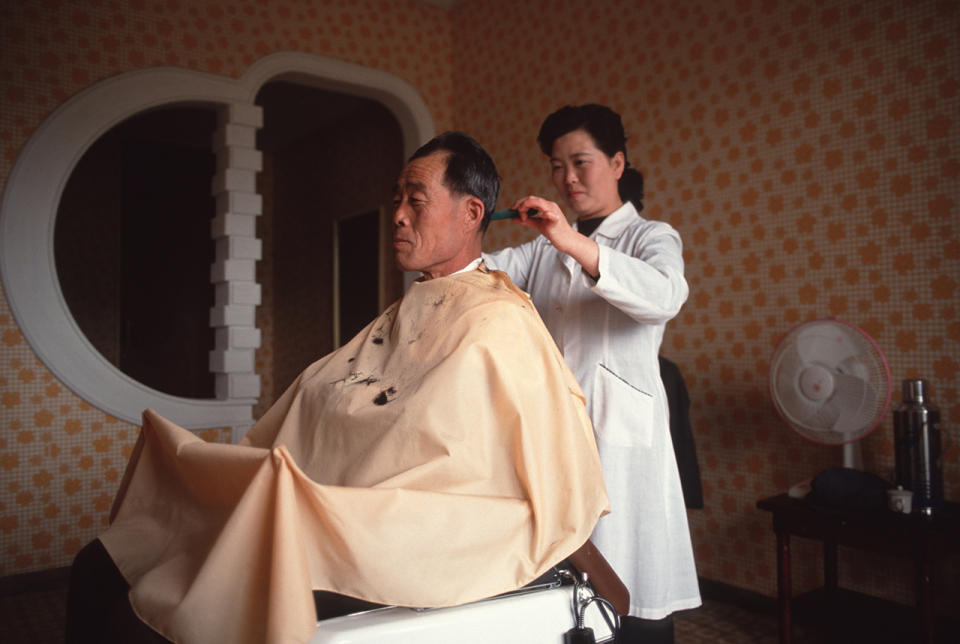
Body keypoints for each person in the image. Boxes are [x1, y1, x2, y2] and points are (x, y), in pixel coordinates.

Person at [66, 132, 610, 644]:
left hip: (408, 526)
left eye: (415, 199)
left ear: (471, 213)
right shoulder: (413, 308)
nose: (396, 214)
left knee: (139, 606)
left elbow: (537, 465)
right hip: (328, 501)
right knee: (106, 560)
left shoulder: (499, 322)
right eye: (396, 197)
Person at [484, 104, 700, 643]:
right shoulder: (541, 250)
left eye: (581, 162)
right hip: (554, 439)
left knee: (631, 594)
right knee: (564, 601)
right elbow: (481, 277)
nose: (568, 179)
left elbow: (664, 296)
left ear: (618, 162)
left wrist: (569, 240)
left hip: (621, 447)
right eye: (556, 167)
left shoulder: (651, 236)